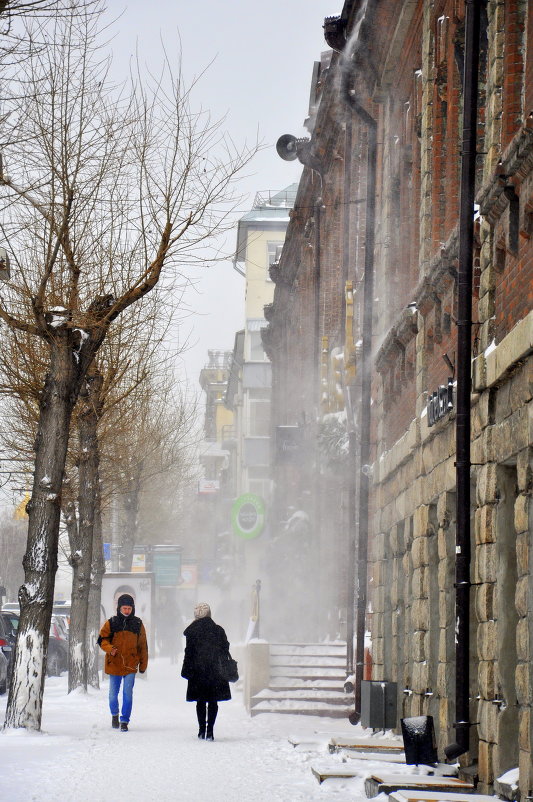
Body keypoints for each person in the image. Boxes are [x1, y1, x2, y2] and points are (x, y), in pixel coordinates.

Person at [98, 593, 148, 732]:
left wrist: (143, 665)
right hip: (114, 664)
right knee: (113, 695)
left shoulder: (138, 624)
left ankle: (124, 720)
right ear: (119, 608)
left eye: (129, 608)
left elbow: (143, 646)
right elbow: (101, 639)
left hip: (131, 664)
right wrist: (110, 649)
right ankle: (115, 714)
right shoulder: (111, 622)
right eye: (124, 608)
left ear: (133, 609)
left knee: (128, 693)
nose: (127, 611)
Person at [181, 602, 231, 741]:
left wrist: (186, 670)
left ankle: (201, 730)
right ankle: (210, 731)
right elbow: (225, 649)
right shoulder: (218, 630)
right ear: (210, 614)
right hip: (216, 671)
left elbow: (188, 652)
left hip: (198, 671)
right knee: (213, 701)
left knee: (201, 701)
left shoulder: (192, 631)